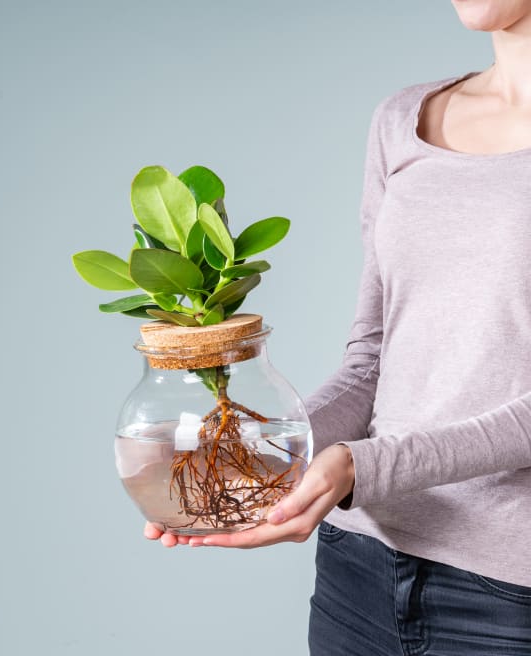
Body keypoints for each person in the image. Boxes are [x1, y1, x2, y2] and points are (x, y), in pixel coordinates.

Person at [145, 1, 531, 653]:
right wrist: (274, 458)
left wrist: (358, 468)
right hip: (359, 570)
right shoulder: (401, 121)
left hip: (506, 598)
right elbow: (371, 359)